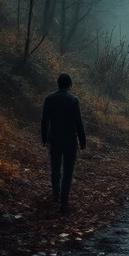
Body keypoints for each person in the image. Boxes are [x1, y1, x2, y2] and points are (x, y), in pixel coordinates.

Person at [41, 72, 86, 213]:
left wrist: (44, 137)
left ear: (58, 83)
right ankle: (64, 201)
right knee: (67, 171)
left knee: (55, 168)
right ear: (70, 85)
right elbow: (78, 122)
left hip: (54, 139)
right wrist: (82, 139)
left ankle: (55, 194)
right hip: (70, 140)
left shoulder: (49, 99)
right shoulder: (73, 100)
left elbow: (44, 120)